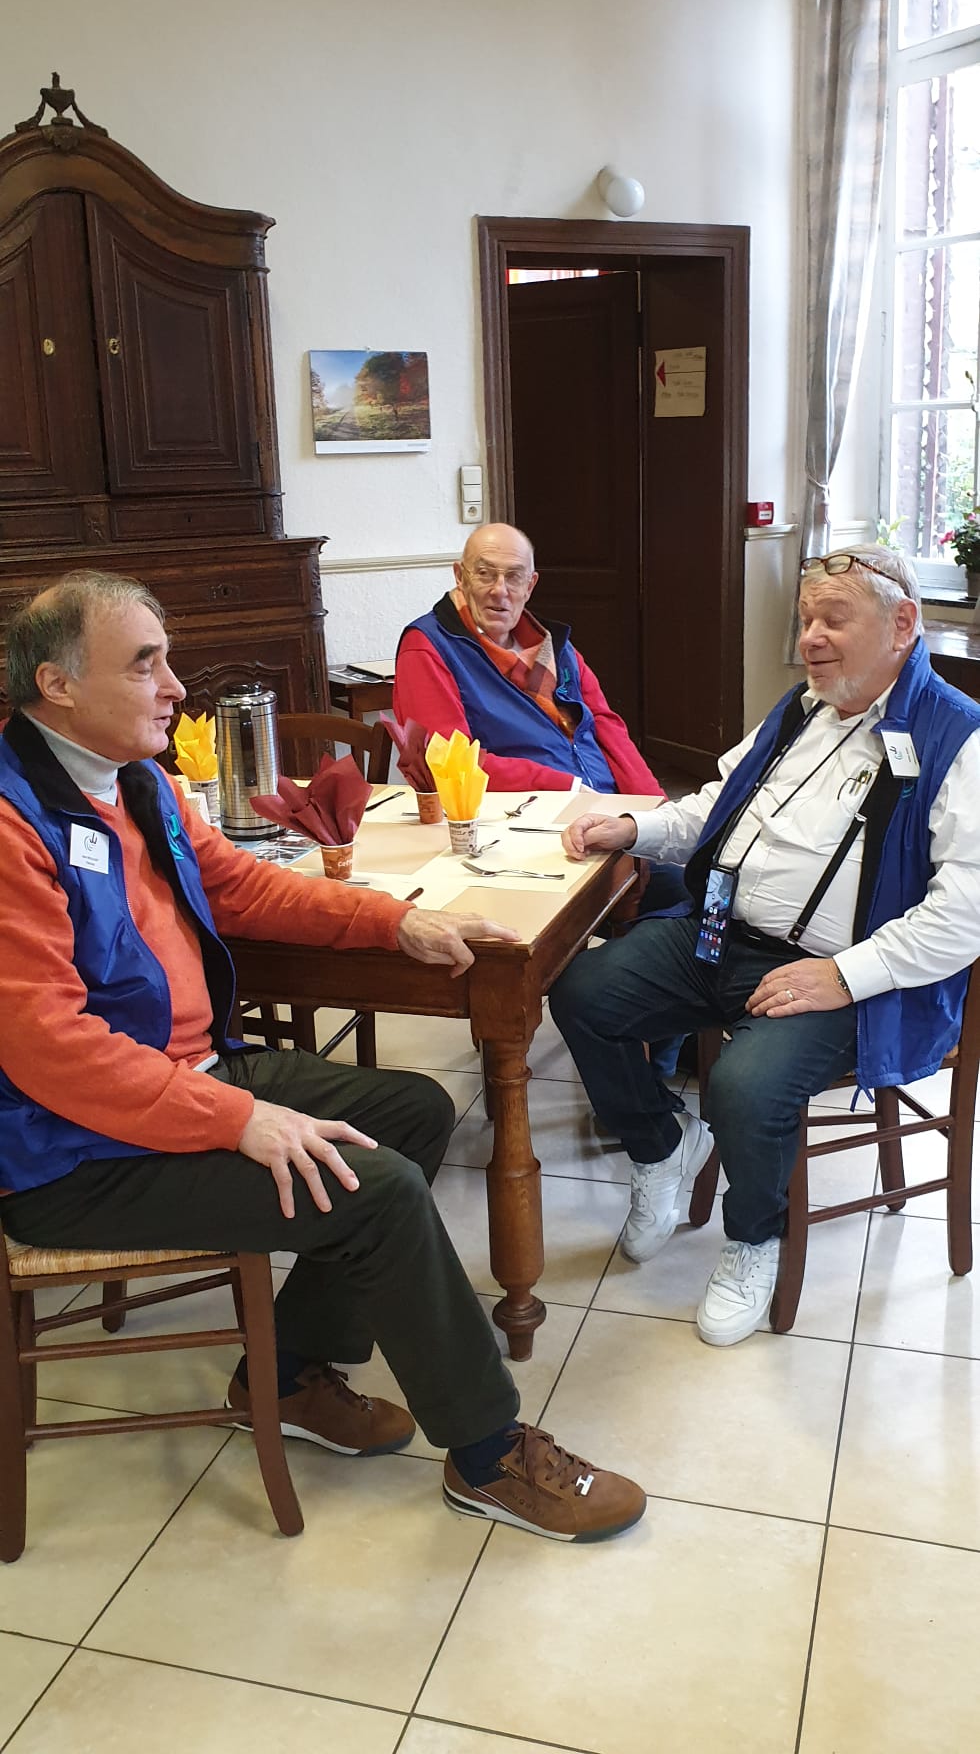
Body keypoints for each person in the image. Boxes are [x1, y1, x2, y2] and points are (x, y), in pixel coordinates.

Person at [0, 571, 645, 1543]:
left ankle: (288, 1375)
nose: (174, 688)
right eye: (143, 665)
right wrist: (240, 1118)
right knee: (375, 1191)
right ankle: (487, 1455)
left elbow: (240, 886)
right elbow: (52, 1052)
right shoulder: (12, 822)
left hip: (180, 1079)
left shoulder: (134, 779)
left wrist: (394, 921)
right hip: (70, 1152)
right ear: (56, 685)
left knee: (416, 1111)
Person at [550, 548, 980, 1344]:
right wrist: (635, 828)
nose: (809, 638)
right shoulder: (800, 710)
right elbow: (717, 808)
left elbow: (966, 914)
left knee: (743, 1088)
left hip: (847, 976)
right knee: (582, 993)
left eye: (833, 620)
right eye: (806, 620)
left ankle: (753, 1242)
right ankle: (661, 1146)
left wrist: (844, 975)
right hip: (721, 935)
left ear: (902, 625)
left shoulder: (959, 736)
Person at [394, 523, 663, 795]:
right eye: (485, 574)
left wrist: (654, 804)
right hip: (528, 809)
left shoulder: (554, 645)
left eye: (514, 577)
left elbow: (606, 725)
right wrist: (566, 787)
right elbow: (448, 761)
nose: (500, 590)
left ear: (530, 586)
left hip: (603, 802)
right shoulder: (428, 647)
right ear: (460, 577)